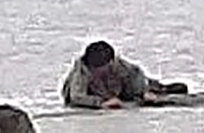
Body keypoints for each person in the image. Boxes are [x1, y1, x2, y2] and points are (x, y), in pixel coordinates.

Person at [60, 40, 189, 109]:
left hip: (120, 90)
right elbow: (76, 97)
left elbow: (136, 73)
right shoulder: (82, 71)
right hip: (99, 96)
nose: (97, 72)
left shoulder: (120, 66)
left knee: (173, 89)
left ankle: (161, 88)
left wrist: (143, 93)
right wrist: (101, 103)